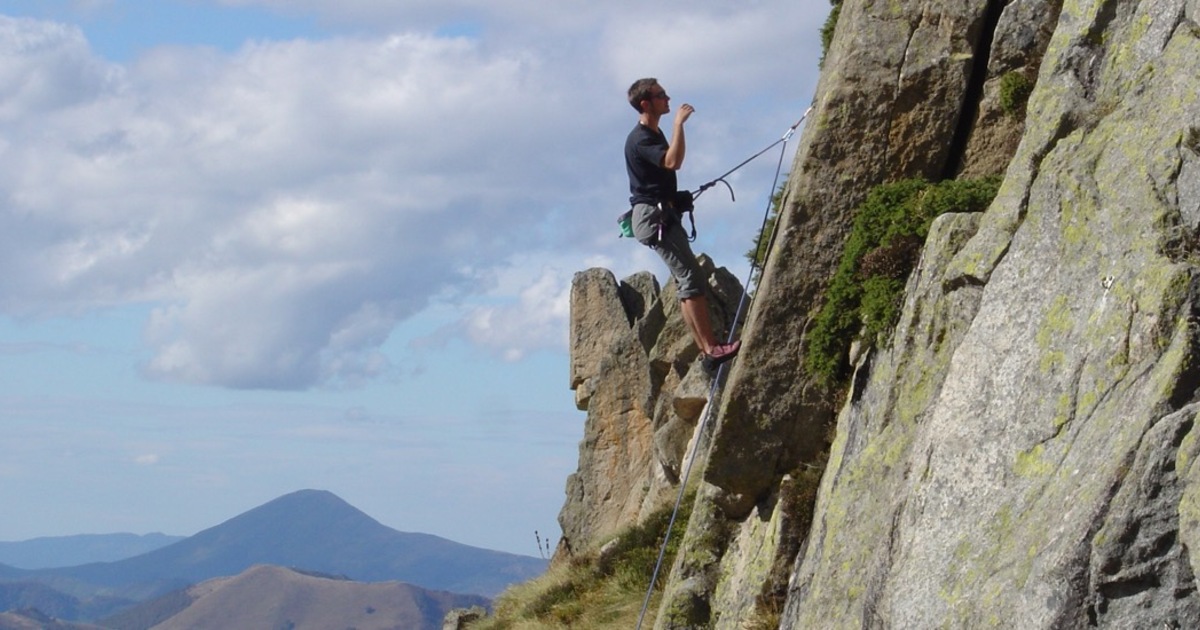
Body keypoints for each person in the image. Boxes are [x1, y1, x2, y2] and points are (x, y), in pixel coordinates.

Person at [625, 78, 740, 367]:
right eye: (661, 95)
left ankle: (708, 350)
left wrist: (675, 197)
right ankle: (711, 350)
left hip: (659, 213)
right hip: (653, 218)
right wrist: (679, 125)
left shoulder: (652, 132)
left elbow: (659, 176)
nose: (668, 98)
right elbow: (672, 162)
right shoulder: (641, 139)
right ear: (645, 103)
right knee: (690, 278)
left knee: (687, 278)